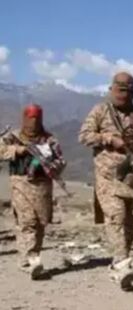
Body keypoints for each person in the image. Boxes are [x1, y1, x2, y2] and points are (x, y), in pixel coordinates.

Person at [79, 72, 133, 290]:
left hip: (132, 177)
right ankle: (122, 263)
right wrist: (108, 138)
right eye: (121, 90)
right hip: (107, 175)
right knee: (116, 216)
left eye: (129, 91)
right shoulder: (101, 110)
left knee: (131, 221)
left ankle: (118, 263)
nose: (124, 95)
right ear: (112, 89)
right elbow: (84, 136)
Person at [0, 104, 65, 280]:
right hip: (20, 183)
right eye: (30, 118)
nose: (33, 122)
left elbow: (60, 160)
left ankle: (33, 255)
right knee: (27, 221)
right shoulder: (13, 136)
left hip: (43, 186)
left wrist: (49, 164)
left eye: (37, 118)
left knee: (40, 223)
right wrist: (17, 150)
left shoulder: (49, 139)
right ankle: (29, 260)